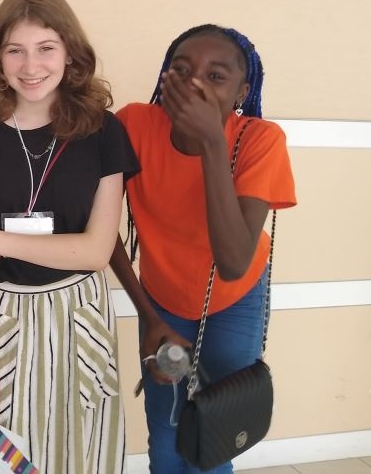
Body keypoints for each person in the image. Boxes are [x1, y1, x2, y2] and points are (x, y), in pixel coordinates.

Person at [0, 0, 139, 474]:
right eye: (15, 50)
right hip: (2, 311)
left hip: (80, 311)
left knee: (82, 456)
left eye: (46, 48)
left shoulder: (103, 131)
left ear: (69, 52)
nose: (31, 66)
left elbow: (96, 251)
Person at [109, 24, 297, 474]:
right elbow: (101, 232)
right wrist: (149, 317)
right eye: (181, 69)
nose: (195, 83)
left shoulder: (260, 139)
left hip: (236, 299)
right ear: (163, 78)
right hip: (162, 300)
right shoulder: (133, 124)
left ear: (241, 91)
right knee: (167, 431)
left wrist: (213, 142)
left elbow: (233, 263)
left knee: (211, 435)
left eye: (216, 76)